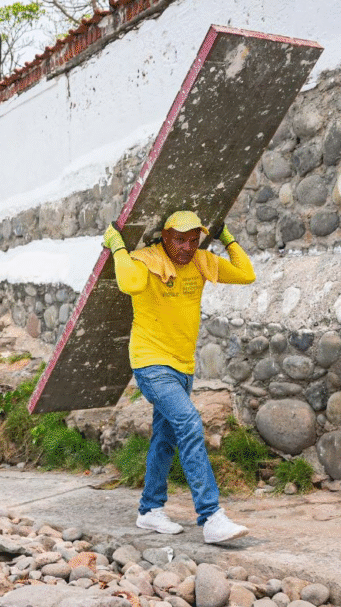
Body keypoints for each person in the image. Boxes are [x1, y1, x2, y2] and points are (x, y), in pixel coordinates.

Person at [103, 210, 255, 544]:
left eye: (193, 239)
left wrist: (226, 236)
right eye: (179, 239)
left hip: (183, 366)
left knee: (165, 437)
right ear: (165, 236)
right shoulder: (146, 259)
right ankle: (211, 517)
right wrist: (116, 246)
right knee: (188, 422)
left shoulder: (201, 261)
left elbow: (247, 274)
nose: (187, 246)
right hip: (150, 362)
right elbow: (128, 282)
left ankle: (149, 510)